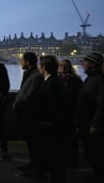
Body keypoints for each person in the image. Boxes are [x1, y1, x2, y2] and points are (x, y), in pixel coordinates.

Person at [34, 55, 68, 183]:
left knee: (54, 161)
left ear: (44, 67)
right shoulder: (52, 81)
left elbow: (54, 107)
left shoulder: (52, 83)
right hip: (50, 125)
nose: (38, 67)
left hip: (50, 127)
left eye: (39, 65)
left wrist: (46, 122)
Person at [12, 52, 44, 177]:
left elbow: (30, 95)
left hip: (31, 114)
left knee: (36, 143)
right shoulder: (29, 74)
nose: (20, 63)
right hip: (26, 114)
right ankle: (33, 163)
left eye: (22, 61)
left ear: (28, 62)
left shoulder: (36, 76)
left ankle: (38, 170)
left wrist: (17, 103)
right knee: (30, 142)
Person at [75, 52, 104, 183]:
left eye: (85, 61)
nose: (82, 63)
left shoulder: (100, 80)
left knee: (95, 152)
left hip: (91, 124)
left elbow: (102, 104)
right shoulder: (89, 78)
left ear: (93, 64)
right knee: (89, 151)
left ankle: (100, 175)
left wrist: (96, 124)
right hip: (84, 122)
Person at [58, 59, 82, 167]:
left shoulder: (76, 80)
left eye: (65, 65)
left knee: (72, 139)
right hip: (60, 113)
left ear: (69, 67)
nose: (63, 67)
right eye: (61, 65)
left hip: (71, 113)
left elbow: (79, 98)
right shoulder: (57, 79)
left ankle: (73, 160)